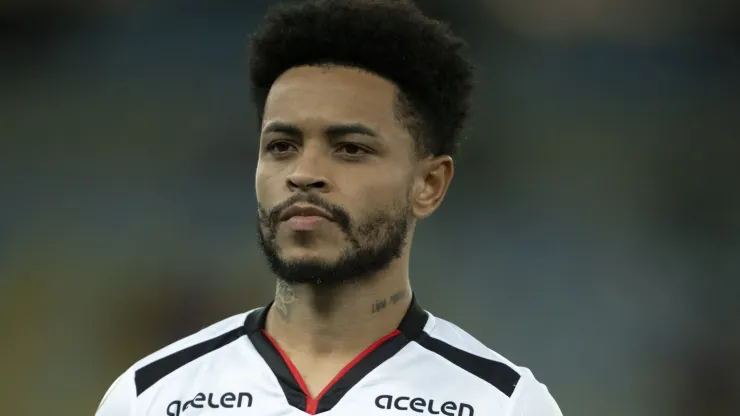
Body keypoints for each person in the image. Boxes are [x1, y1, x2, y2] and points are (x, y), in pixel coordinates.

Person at [96, 1, 563, 415]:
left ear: (429, 184)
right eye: (281, 146)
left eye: (350, 149)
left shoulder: (503, 404)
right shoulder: (149, 398)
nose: (304, 172)